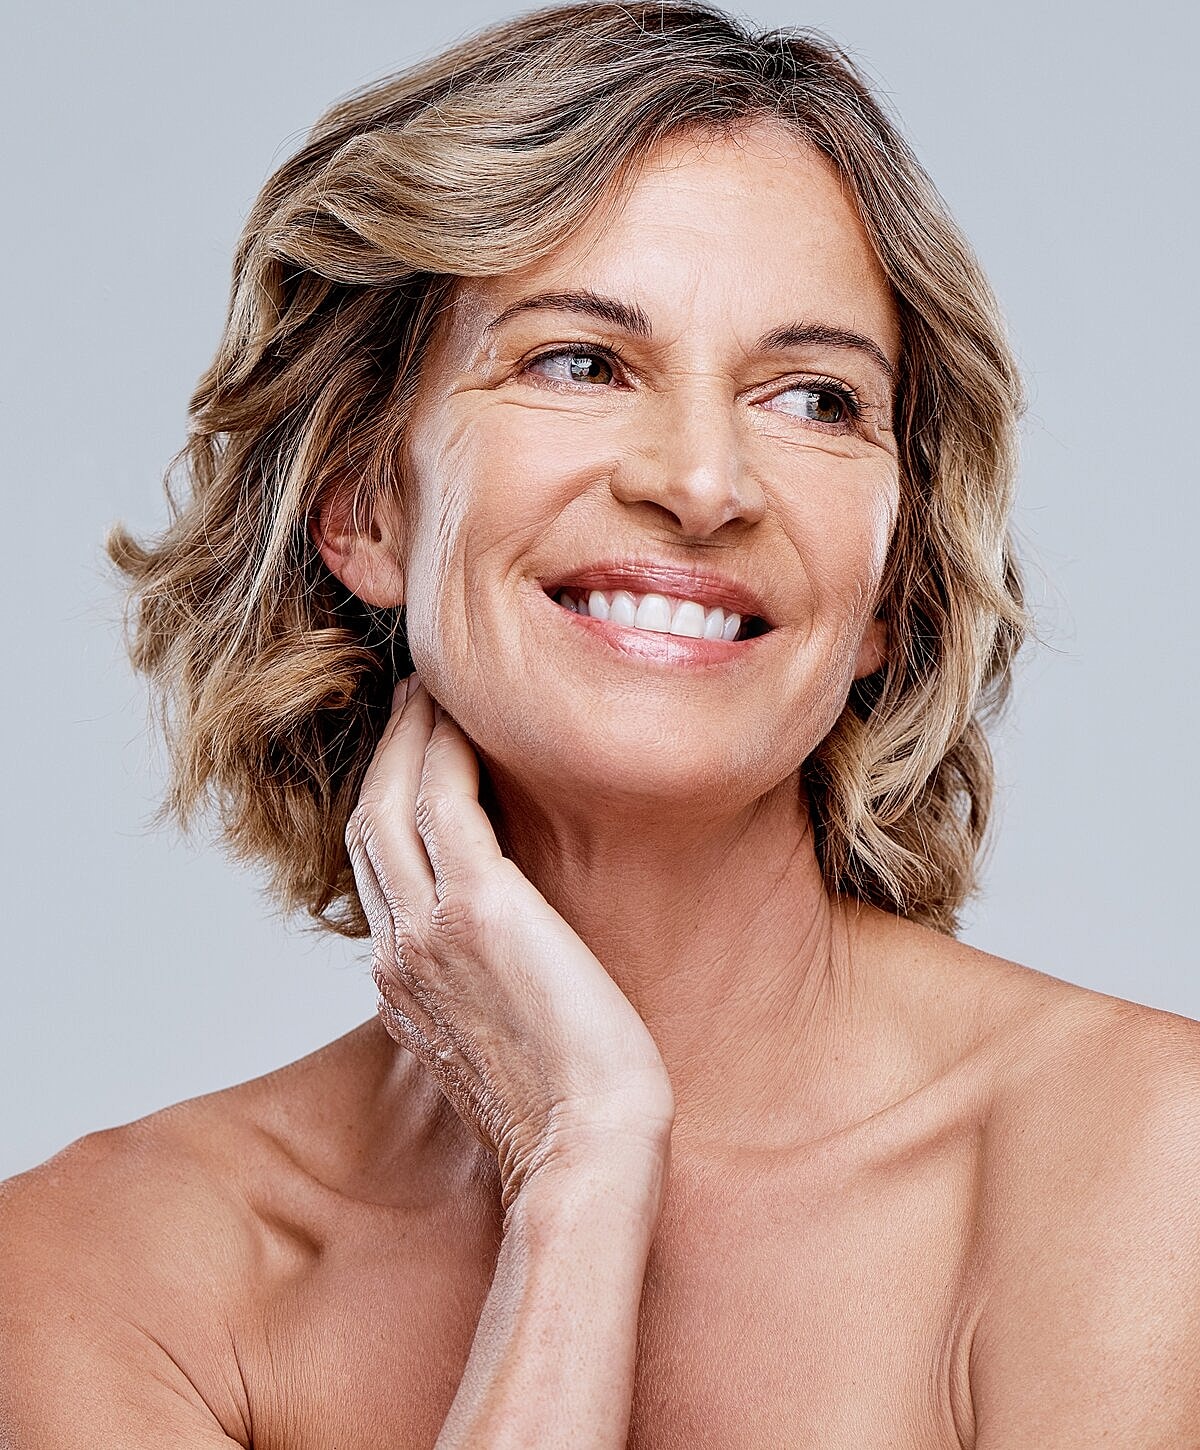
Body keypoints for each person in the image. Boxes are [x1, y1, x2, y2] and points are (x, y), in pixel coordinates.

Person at [3, 2, 1198, 1445]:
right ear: (365, 501)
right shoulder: (102, 1274)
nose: (704, 481)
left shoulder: (1140, 1163)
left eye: (816, 397)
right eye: (581, 361)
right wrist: (578, 1175)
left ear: (892, 578)